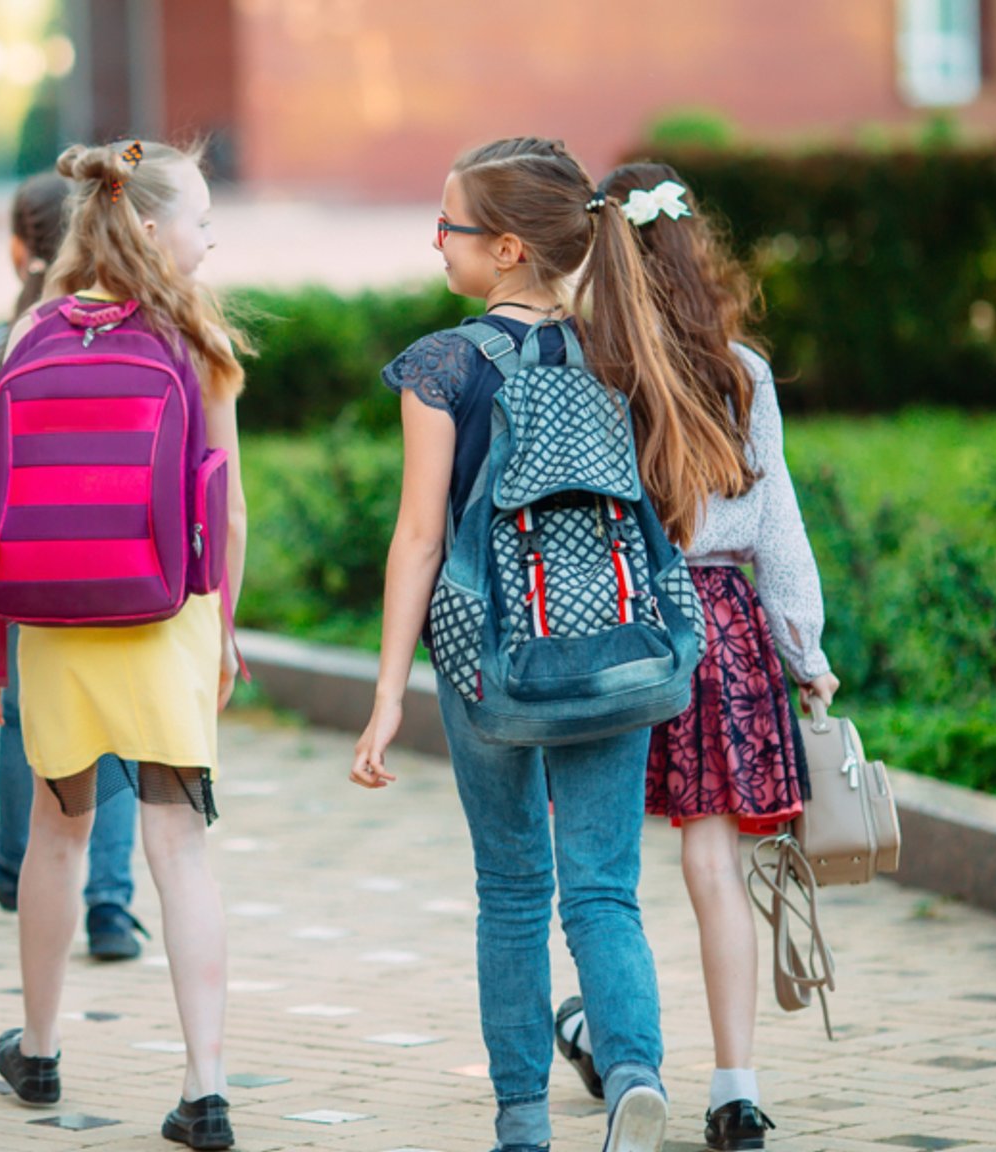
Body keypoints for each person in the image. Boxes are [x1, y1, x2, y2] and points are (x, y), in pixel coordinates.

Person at [350, 137, 749, 1152]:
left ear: (510, 250)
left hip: (490, 661)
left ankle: (522, 1120)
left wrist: (389, 689)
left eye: (452, 227)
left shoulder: (442, 367)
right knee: (602, 887)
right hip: (617, 650)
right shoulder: (622, 352)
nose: (437, 242)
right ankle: (630, 1075)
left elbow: (419, 535)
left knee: (512, 890)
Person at [0, 139, 250, 1151]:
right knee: (177, 847)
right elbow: (230, 505)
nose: (208, 236)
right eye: (201, 219)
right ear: (155, 228)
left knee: (55, 836)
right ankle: (203, 1087)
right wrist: (223, 629)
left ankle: (37, 1051)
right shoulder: (194, 337)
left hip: (53, 619)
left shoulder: (30, 330)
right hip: (164, 613)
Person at [549, 163, 841, 1152]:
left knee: (599, 871)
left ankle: (607, 1035)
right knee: (711, 863)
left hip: (617, 625)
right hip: (718, 626)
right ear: (689, 248)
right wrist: (803, 648)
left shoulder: (585, 370)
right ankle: (733, 1089)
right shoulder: (739, 370)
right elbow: (778, 522)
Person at [0, 171, 144, 960]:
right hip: (127, 562)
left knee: (23, 718)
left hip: (35, 569)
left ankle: (18, 868)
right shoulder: (140, 333)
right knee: (121, 730)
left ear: (17, 247)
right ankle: (108, 903)